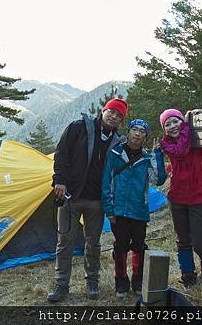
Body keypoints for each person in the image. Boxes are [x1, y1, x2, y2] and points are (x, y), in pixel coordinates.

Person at [48, 98, 128, 303]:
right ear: (103, 110)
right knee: (64, 242)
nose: (114, 116)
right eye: (112, 111)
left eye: (119, 115)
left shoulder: (118, 142)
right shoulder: (79, 128)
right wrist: (60, 181)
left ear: (120, 121)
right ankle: (61, 284)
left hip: (96, 202)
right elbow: (61, 154)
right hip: (70, 196)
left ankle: (92, 281)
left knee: (93, 243)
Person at [101, 119, 167, 297]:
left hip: (139, 210)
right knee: (120, 247)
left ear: (145, 137)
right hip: (119, 210)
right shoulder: (115, 154)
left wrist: (157, 155)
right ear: (128, 132)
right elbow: (106, 182)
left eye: (142, 131)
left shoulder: (146, 158)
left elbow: (158, 179)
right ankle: (121, 284)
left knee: (138, 246)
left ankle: (138, 282)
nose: (137, 134)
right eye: (134, 129)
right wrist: (109, 209)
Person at [159, 108, 202, 288]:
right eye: (167, 124)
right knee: (183, 240)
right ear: (164, 130)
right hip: (177, 198)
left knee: (200, 243)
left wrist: (200, 121)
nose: (172, 126)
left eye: (175, 121)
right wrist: (187, 124)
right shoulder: (166, 144)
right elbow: (182, 150)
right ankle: (188, 277)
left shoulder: (195, 137)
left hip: (200, 196)